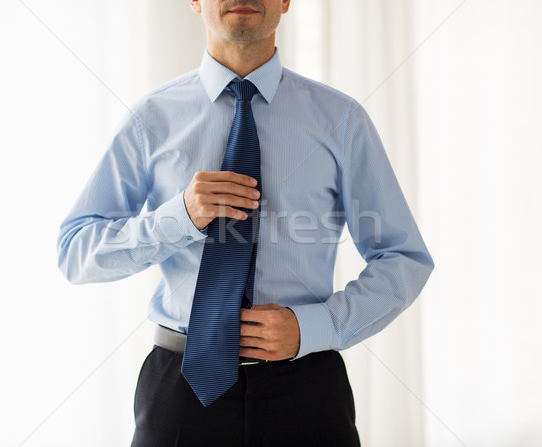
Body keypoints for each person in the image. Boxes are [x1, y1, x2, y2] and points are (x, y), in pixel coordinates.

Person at [57, 0, 434, 445]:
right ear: (194, 1)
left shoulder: (342, 121)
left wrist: (316, 325)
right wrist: (178, 217)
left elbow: (404, 258)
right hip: (181, 394)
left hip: (307, 389)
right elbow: (76, 252)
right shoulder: (149, 119)